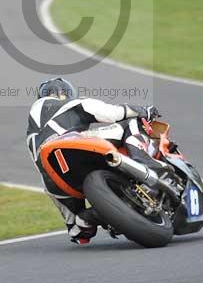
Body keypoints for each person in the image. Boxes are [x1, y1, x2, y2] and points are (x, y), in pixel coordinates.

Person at [26, 77, 162, 245]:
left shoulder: (31, 133)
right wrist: (145, 111)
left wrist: (78, 227)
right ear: (67, 93)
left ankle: (88, 218)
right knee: (131, 124)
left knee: (78, 230)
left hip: (53, 177)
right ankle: (145, 164)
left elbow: (81, 239)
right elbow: (112, 113)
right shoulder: (74, 103)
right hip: (72, 144)